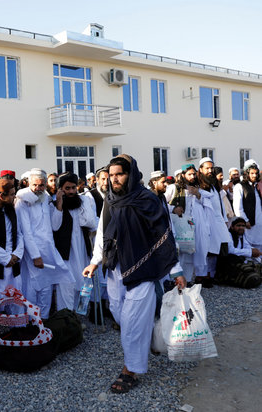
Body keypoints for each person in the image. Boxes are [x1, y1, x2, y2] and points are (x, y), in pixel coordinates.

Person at [83, 154, 185, 394]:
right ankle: (147, 340)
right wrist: (95, 261)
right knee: (120, 314)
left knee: (131, 323)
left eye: (120, 174)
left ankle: (131, 369)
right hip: (115, 268)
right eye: (112, 175)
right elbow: (102, 232)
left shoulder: (146, 199)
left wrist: (176, 269)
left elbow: (164, 233)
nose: (115, 179)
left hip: (142, 268)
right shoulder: (110, 199)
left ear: (130, 175)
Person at [15, 168, 71, 318]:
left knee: (47, 286)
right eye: (35, 185)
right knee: (32, 287)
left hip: (48, 250)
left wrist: (59, 205)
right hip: (32, 252)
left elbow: (54, 226)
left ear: (46, 185)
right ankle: (30, 322)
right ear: (29, 183)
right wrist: (35, 255)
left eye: (41, 185)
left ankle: (43, 322)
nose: (38, 189)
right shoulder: (22, 201)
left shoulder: (46, 198)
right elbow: (25, 232)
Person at [52, 173, 98, 311]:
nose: (71, 191)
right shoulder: (54, 205)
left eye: (73, 188)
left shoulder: (82, 202)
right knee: (66, 286)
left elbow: (90, 223)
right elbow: (55, 226)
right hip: (66, 254)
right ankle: (66, 318)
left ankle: (79, 317)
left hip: (82, 251)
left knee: (84, 284)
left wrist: (84, 202)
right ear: (60, 189)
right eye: (67, 188)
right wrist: (59, 204)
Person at [165, 164, 210, 284]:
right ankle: (175, 280)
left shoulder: (196, 188)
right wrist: (173, 208)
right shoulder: (173, 188)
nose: (192, 176)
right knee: (178, 253)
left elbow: (204, 203)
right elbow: (162, 203)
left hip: (191, 226)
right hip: (177, 225)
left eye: (194, 174)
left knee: (189, 252)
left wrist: (197, 194)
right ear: (183, 175)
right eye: (189, 174)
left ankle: (188, 280)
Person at [216, 217, 261, 288]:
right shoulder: (228, 235)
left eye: (243, 226)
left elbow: (247, 247)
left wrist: (256, 251)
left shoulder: (241, 236)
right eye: (238, 225)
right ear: (232, 226)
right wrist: (250, 252)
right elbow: (231, 250)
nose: (241, 228)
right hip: (227, 263)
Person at [233, 159, 262, 251]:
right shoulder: (239, 186)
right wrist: (245, 220)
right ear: (247, 173)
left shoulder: (257, 186)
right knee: (249, 249)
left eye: (256, 173)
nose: (254, 175)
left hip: (259, 224)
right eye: (252, 173)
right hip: (249, 224)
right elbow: (238, 207)